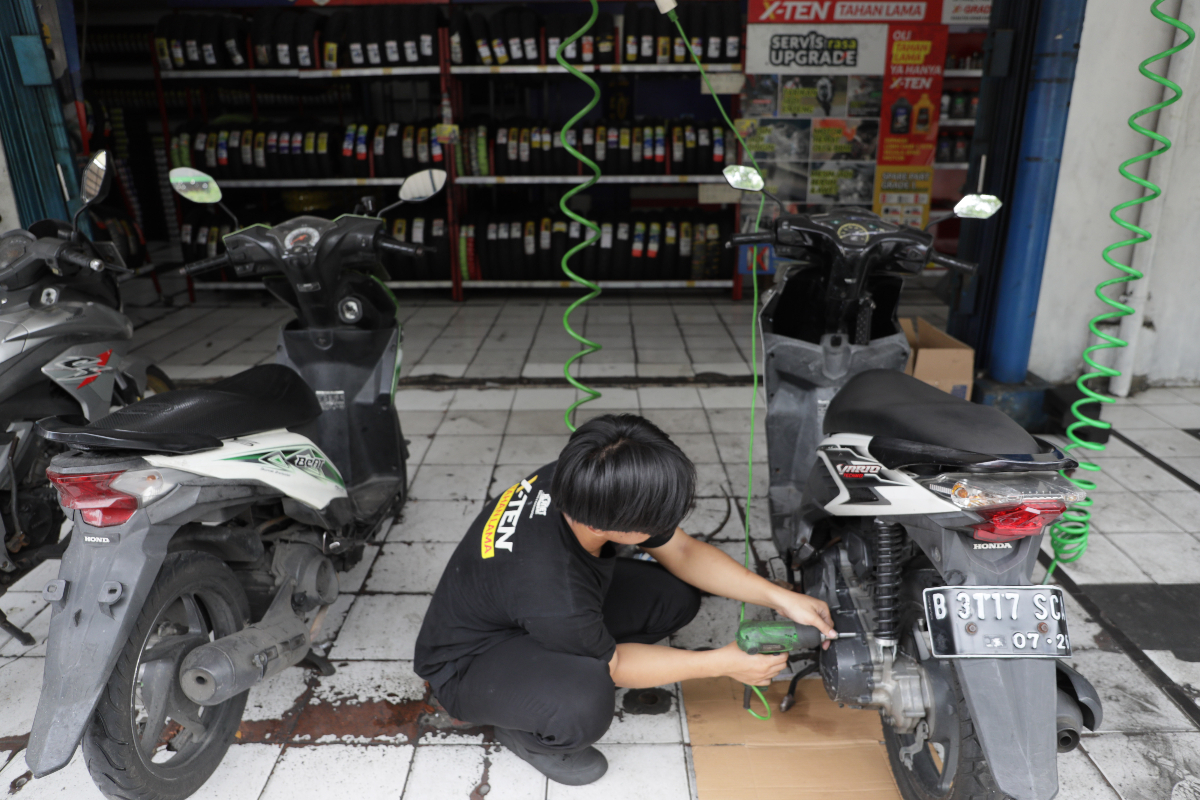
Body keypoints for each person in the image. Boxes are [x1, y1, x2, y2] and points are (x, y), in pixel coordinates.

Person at [413, 414, 834, 786]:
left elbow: (683, 551)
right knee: (585, 698)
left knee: (672, 598)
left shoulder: (583, 475)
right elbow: (614, 666)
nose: (668, 526)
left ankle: (568, 654)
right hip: (467, 664)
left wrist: (781, 597)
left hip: (523, 613)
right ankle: (527, 732)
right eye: (656, 521)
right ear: (601, 525)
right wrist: (723, 663)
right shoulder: (551, 588)